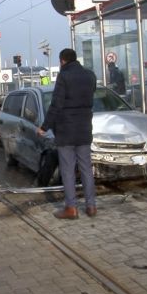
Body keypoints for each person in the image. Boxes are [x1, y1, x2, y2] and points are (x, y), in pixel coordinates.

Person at [37, 48, 97, 219]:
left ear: (62, 61)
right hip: (85, 128)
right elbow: (89, 99)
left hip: (66, 131)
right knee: (86, 168)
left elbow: (56, 105)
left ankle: (71, 208)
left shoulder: (64, 76)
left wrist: (44, 127)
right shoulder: (90, 75)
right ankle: (91, 206)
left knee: (68, 170)